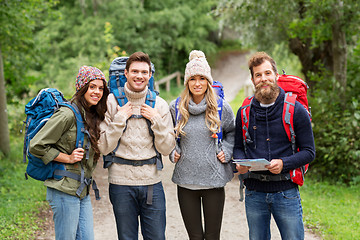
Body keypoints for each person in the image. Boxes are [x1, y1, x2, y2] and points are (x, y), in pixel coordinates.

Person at [233, 52, 315, 240]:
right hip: (254, 193)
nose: (264, 79)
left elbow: (309, 152)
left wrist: (284, 163)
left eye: (267, 73)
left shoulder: (296, 110)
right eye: (258, 75)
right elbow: (238, 147)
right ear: (253, 79)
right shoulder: (244, 112)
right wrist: (239, 163)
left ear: (276, 76)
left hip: (286, 191)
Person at [98, 51, 176, 240]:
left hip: (151, 182)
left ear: (150, 75)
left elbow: (166, 149)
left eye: (144, 72)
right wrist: (120, 119)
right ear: (126, 73)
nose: (139, 76)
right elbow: (103, 147)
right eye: (134, 71)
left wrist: (156, 121)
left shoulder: (159, 104)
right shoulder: (110, 102)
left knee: (157, 237)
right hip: (120, 183)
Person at [29, 66, 109, 240]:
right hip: (64, 189)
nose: (97, 92)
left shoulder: (89, 114)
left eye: (101, 88)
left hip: (82, 190)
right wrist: (68, 157)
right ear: (82, 88)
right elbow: (36, 145)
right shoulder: (67, 114)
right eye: (92, 87)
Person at [169, 50, 235, 240]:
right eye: (192, 79)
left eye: (202, 78)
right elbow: (167, 137)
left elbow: (232, 133)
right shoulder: (176, 108)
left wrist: (227, 151)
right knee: (195, 237)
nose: (197, 83)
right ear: (187, 82)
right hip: (185, 181)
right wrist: (173, 151)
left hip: (213, 181)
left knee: (213, 236)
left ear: (208, 81)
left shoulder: (222, 107)